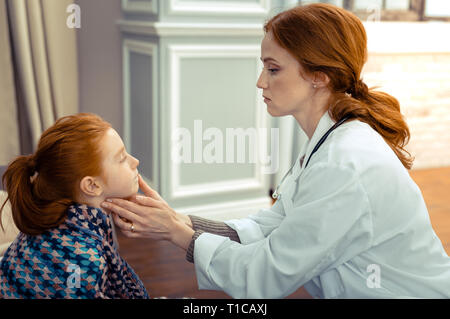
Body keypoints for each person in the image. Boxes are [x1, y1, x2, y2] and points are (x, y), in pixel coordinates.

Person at [103, 3, 450, 298]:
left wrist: (176, 233)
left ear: (319, 76)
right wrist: (178, 219)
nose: (260, 81)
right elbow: (272, 225)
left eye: (273, 69)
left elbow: (264, 275)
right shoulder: (330, 140)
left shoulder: (345, 164)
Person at [0, 113, 149, 299]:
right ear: (92, 186)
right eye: (121, 158)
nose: (135, 161)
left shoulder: (54, 221)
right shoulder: (83, 261)